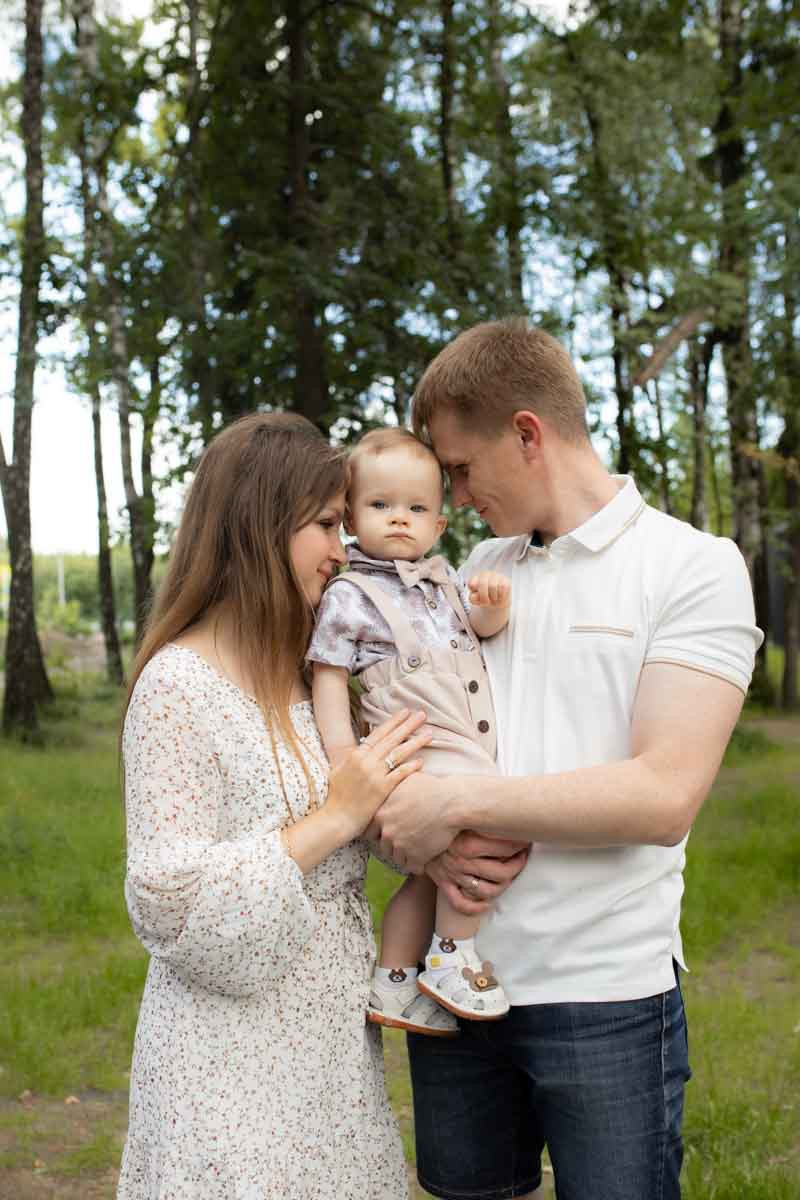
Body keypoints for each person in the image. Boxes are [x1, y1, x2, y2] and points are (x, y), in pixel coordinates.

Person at [370, 318, 764, 1200]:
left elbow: (663, 794)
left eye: (462, 469)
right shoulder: (474, 569)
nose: (455, 497)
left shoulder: (692, 567)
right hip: (455, 985)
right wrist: (422, 835)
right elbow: (426, 737)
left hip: (606, 995)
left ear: (526, 433)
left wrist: (455, 810)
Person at [117, 411, 436, 1200]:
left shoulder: (310, 678)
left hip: (327, 1057)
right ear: (259, 525)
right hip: (225, 1066)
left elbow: (373, 820)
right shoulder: (178, 687)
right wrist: (333, 818)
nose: (343, 547)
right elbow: (168, 904)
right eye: (326, 524)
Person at [308, 428, 517, 1034]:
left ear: (440, 525)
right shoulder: (350, 594)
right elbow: (328, 677)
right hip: (421, 746)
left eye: (416, 508)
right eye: (380, 506)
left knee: (430, 873)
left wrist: (493, 610)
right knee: (489, 833)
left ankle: (395, 978)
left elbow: (476, 633)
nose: (399, 519)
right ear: (350, 516)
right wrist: (346, 758)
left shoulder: (445, 582)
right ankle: (453, 956)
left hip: (455, 739)